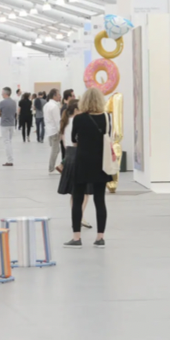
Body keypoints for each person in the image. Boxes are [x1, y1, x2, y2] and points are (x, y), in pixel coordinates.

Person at [64, 88, 110, 249]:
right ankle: (100, 238)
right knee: (100, 200)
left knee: (77, 199)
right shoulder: (107, 117)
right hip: (101, 164)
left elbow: (74, 141)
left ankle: (76, 238)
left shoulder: (79, 119)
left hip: (82, 163)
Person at [57, 100, 93, 229]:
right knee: (85, 192)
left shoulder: (65, 123)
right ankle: (80, 217)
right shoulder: (77, 122)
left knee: (74, 192)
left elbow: (64, 141)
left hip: (70, 156)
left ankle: (76, 217)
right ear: (76, 110)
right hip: (80, 156)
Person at [0, 87, 17, 167]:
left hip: (4, 125)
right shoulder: (14, 102)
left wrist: (2, 114)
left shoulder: (2, 103)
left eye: (2, 93)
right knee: (9, 142)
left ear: (5, 93)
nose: (1, 94)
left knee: (6, 142)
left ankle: (10, 160)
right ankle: (10, 159)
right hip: (12, 124)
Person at [44, 89, 62, 174]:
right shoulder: (54, 106)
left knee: (55, 150)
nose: (60, 96)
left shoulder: (47, 105)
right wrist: (61, 131)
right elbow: (57, 120)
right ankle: (51, 167)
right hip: (55, 131)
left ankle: (51, 166)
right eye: (58, 95)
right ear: (54, 96)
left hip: (49, 130)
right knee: (55, 150)